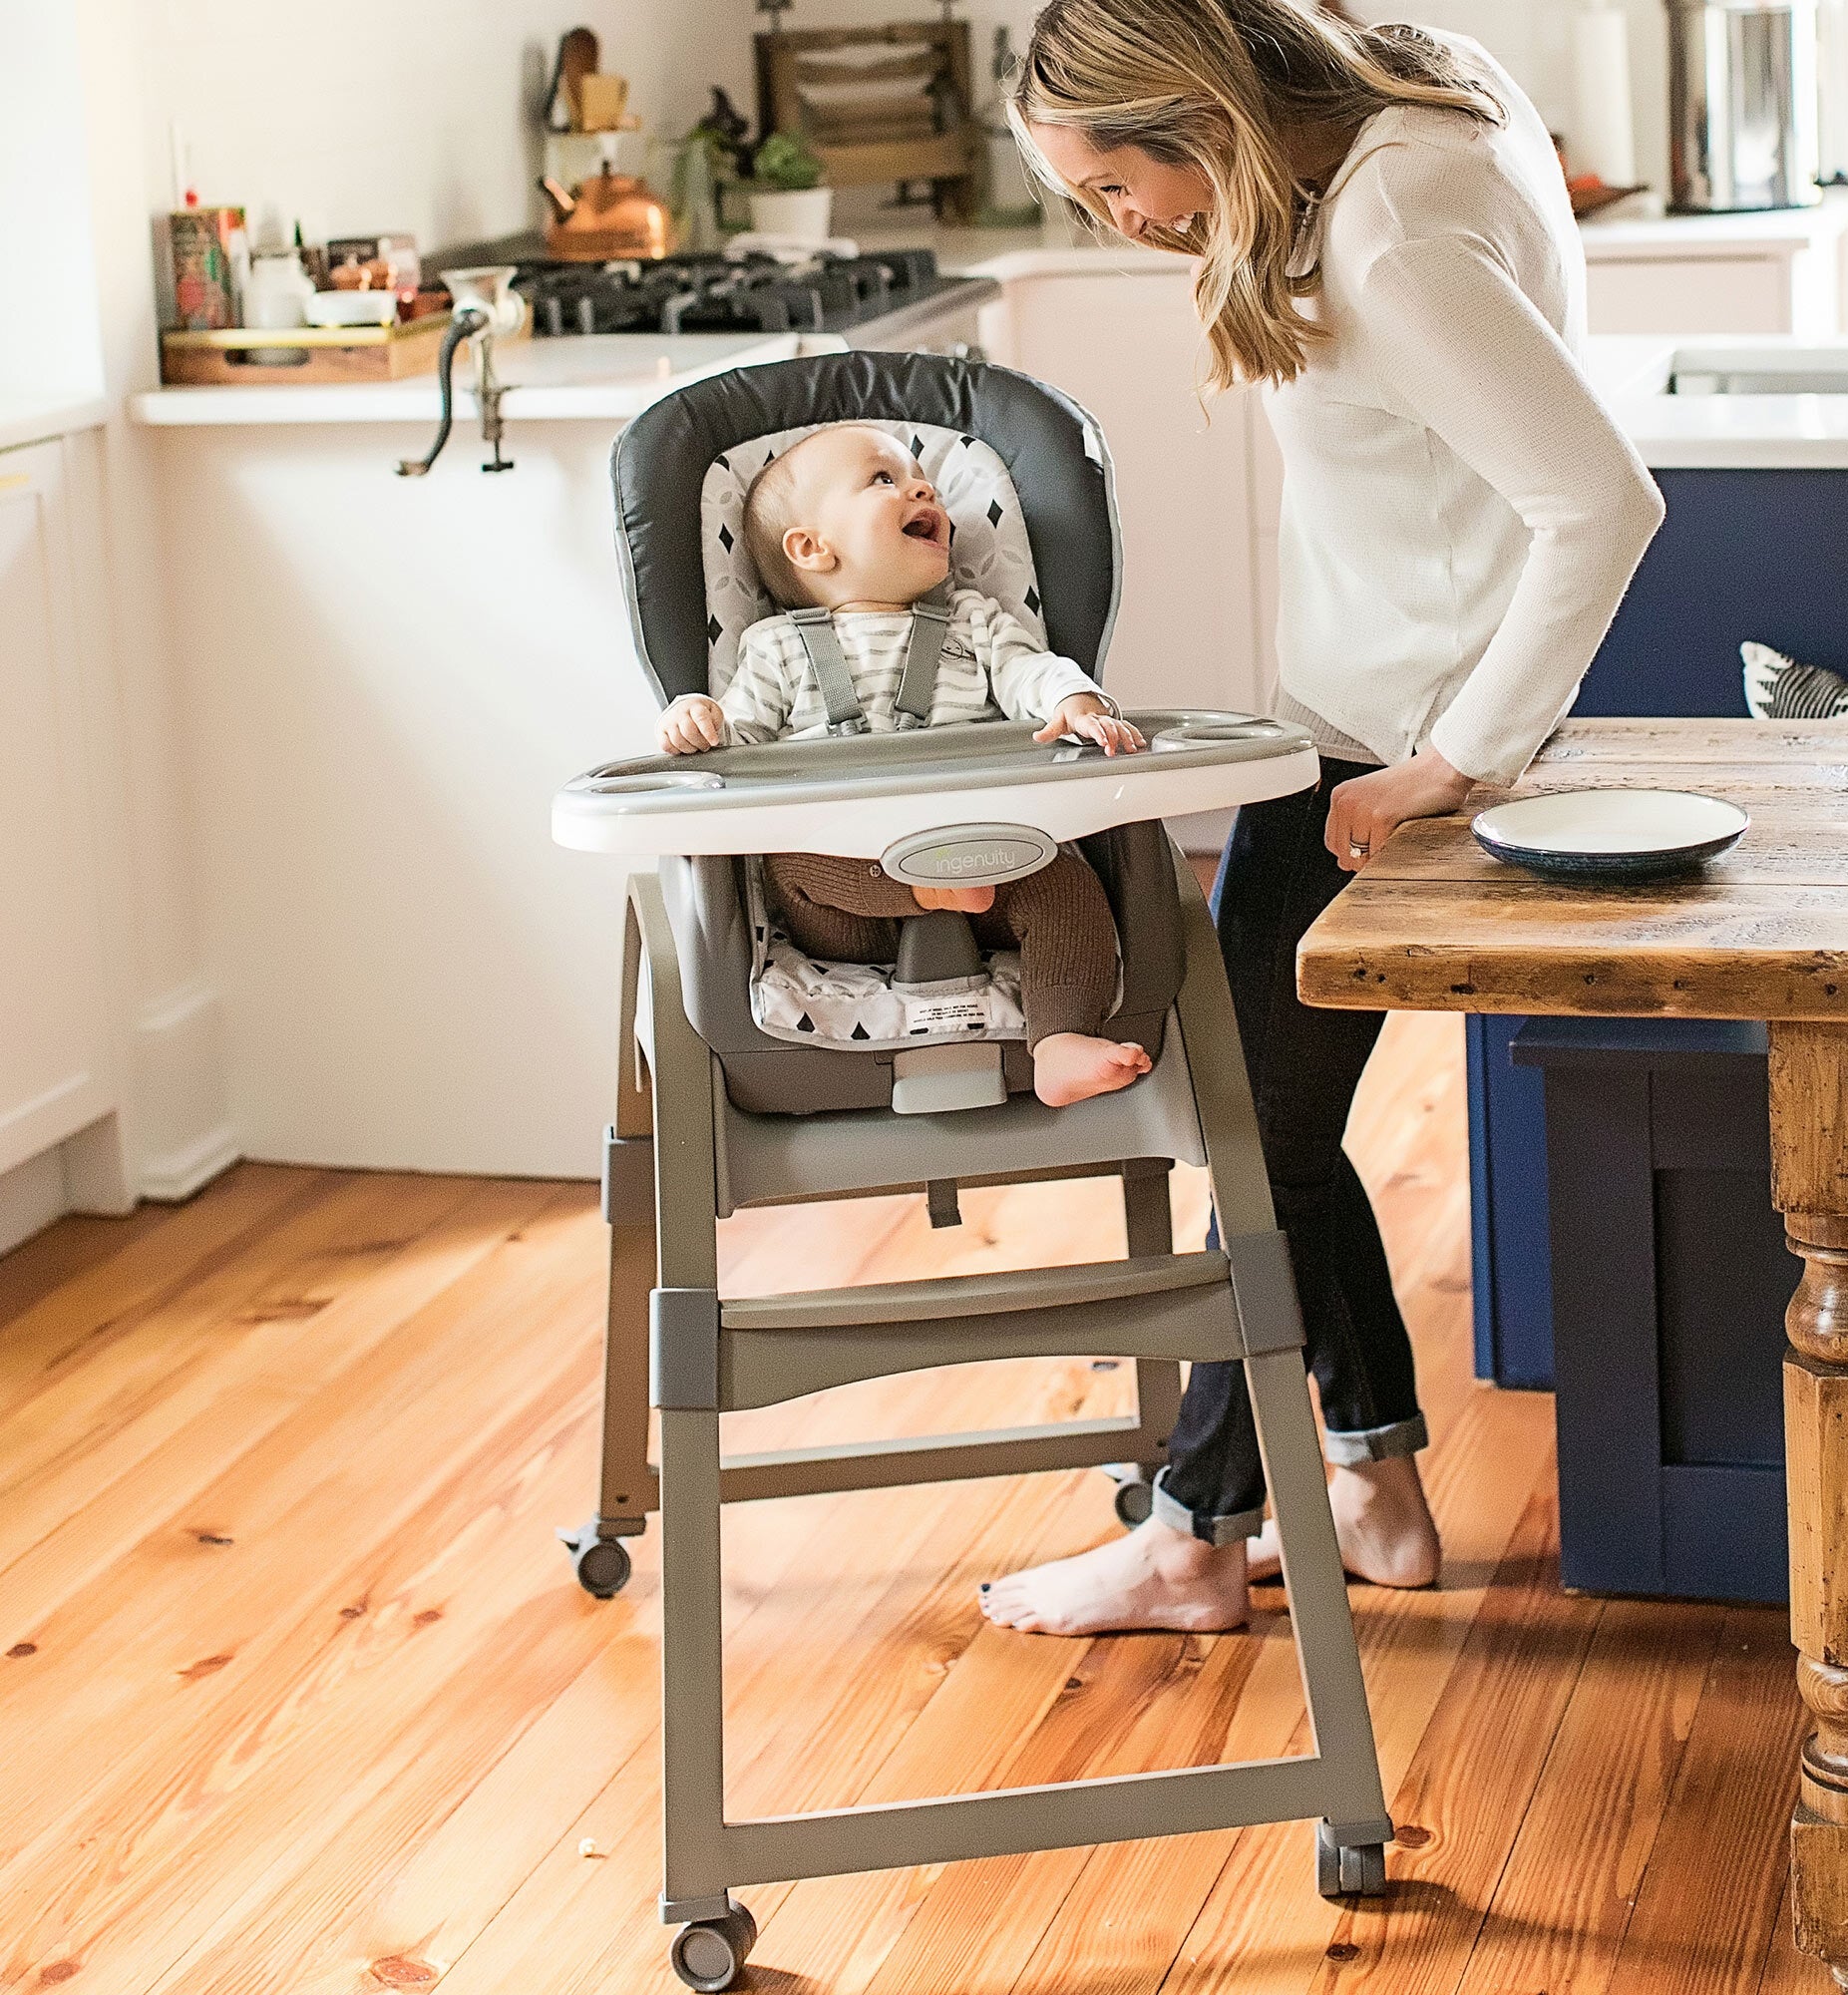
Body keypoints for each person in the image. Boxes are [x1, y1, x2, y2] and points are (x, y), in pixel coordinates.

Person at [978, 0, 1663, 1636]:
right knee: (1269, 1118)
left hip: (1393, 739)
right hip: (1368, 706)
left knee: (1251, 1122)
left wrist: (1460, 757)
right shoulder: (1415, 92)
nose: (1116, 226)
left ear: (1195, 110)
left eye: (1108, 185)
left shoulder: (1384, 239)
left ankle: (1198, 1532)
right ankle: (1372, 1485)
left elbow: (1603, 503)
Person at [658, 421, 1156, 1107]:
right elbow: (733, 748)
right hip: (842, 904)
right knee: (791, 861)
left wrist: (1073, 698)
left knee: (1066, 887)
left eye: (923, 481)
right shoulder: (773, 647)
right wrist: (696, 717)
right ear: (810, 547)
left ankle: (1059, 1040)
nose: (922, 486)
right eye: (883, 479)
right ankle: (928, 889)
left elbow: (1029, 671)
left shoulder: (973, 623)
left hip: (989, 868)